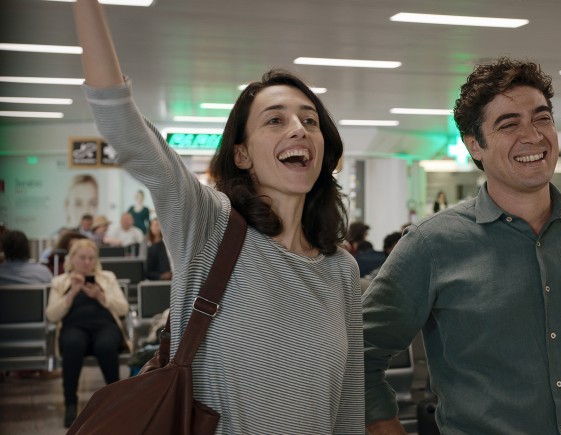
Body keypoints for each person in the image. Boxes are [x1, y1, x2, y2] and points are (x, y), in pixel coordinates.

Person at [72, 1, 363, 433]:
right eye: (275, 120)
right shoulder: (210, 226)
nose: (299, 129)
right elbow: (122, 123)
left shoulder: (340, 269)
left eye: (310, 120)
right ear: (241, 154)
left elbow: (349, 404)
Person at [362, 58, 561, 435]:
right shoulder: (431, 244)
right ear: (474, 145)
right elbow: (360, 355)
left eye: (542, 118)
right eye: (509, 124)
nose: (533, 136)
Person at [45, 238, 130, 428]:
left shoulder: (107, 277)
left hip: (104, 326)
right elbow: (51, 314)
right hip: (74, 327)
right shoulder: (60, 281)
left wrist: (101, 297)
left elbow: (123, 308)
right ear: (72, 259)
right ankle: (70, 404)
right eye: (82, 258)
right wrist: (71, 294)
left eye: (91, 258)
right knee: (73, 344)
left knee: (106, 345)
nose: (87, 262)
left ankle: (115, 401)